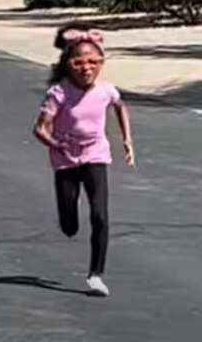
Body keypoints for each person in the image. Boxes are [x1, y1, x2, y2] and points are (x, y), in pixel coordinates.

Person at [32, 28, 135, 296]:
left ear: (101, 63)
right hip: (65, 159)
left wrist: (127, 141)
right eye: (79, 62)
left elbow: (120, 106)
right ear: (68, 65)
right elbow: (40, 129)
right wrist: (55, 144)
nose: (86, 68)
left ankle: (96, 275)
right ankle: (70, 202)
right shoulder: (59, 93)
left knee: (100, 216)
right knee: (69, 227)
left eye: (93, 62)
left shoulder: (106, 90)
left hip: (95, 155)